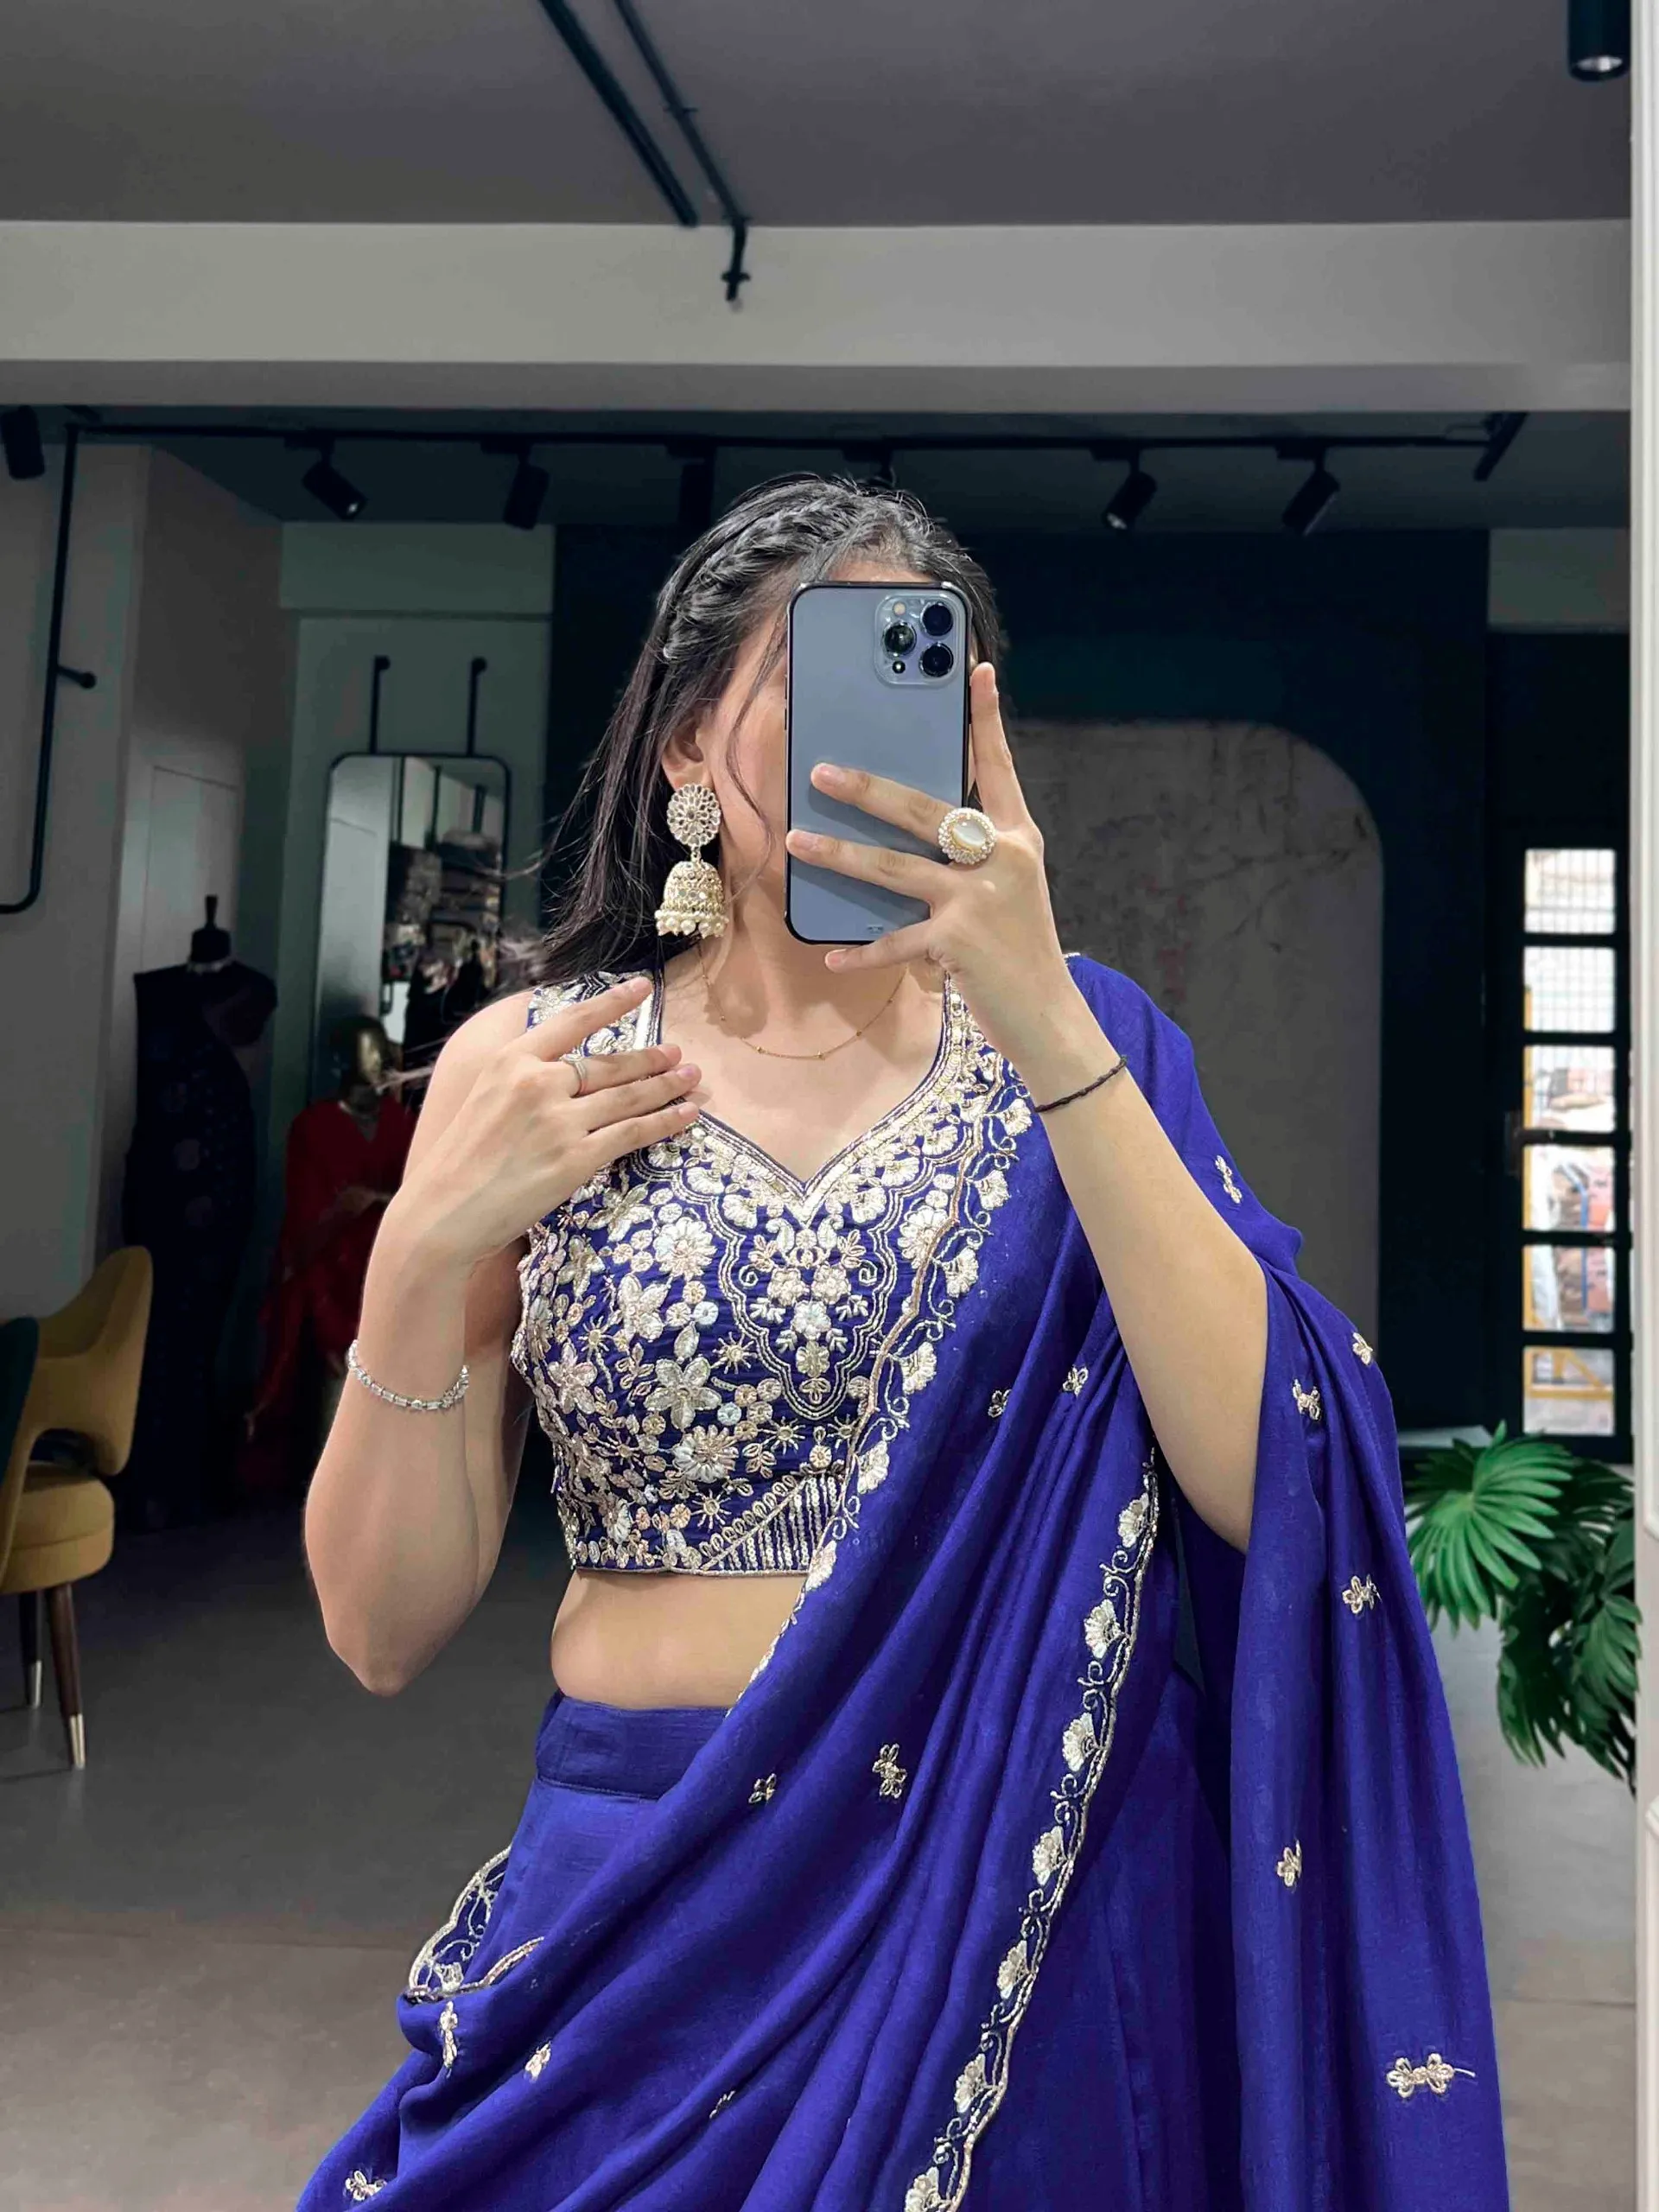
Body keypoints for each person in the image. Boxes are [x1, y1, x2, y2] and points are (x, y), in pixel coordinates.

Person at [299, 477, 1508, 2209]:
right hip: (641, 1906)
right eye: (815, 687)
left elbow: (1273, 1474)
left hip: (1024, 1903)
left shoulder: (1085, 1046)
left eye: (915, 692)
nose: (867, 750)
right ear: (685, 743)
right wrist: (424, 1251)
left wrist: (1047, 1017)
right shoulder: (533, 1066)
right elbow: (380, 1628)